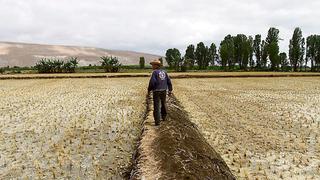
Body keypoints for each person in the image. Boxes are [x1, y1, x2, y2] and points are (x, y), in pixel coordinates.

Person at [148, 60, 173, 126]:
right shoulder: (164, 72)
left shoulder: (155, 72)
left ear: (156, 65)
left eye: (153, 65)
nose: (152, 66)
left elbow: (152, 82)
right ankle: (164, 117)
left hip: (156, 91)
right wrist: (170, 90)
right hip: (164, 90)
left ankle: (157, 122)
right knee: (163, 104)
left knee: (156, 106)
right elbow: (169, 81)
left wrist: (149, 89)